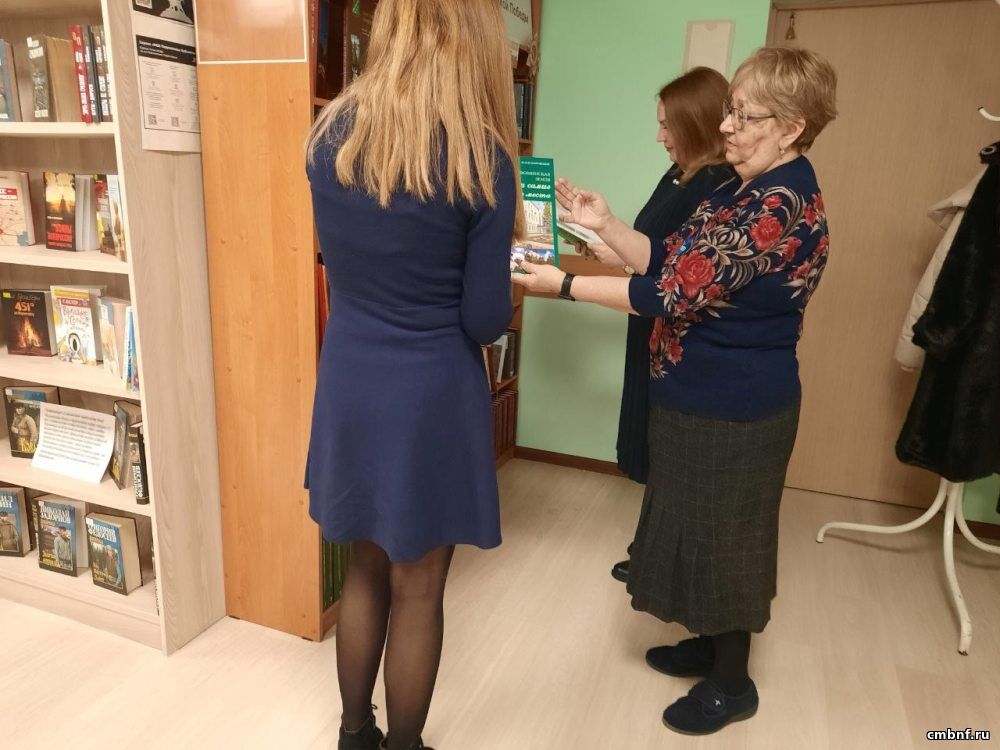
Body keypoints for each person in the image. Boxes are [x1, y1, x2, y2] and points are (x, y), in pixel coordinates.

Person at [513, 47, 837, 735]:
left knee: (727, 542)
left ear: (792, 127)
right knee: (695, 527)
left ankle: (732, 684)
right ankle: (708, 644)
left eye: (745, 116)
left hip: (735, 405)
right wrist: (604, 224)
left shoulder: (780, 203)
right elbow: (669, 259)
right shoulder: (742, 187)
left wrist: (563, 286)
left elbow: (667, 294)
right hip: (697, 397)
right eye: (730, 112)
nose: (726, 127)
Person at [304, 2, 522, 749]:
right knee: (419, 586)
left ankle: (354, 734)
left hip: (350, 380)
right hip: (431, 394)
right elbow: (484, 320)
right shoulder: (481, 159)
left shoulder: (329, 137)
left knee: (364, 565)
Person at [556, 67, 735, 584]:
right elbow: (655, 252)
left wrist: (570, 282)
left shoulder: (716, 187)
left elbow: (678, 277)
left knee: (671, 454)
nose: (659, 136)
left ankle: (661, 559)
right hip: (650, 327)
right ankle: (653, 550)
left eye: (666, 125)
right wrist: (606, 244)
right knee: (656, 449)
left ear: (696, 123)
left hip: (677, 335)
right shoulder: (679, 174)